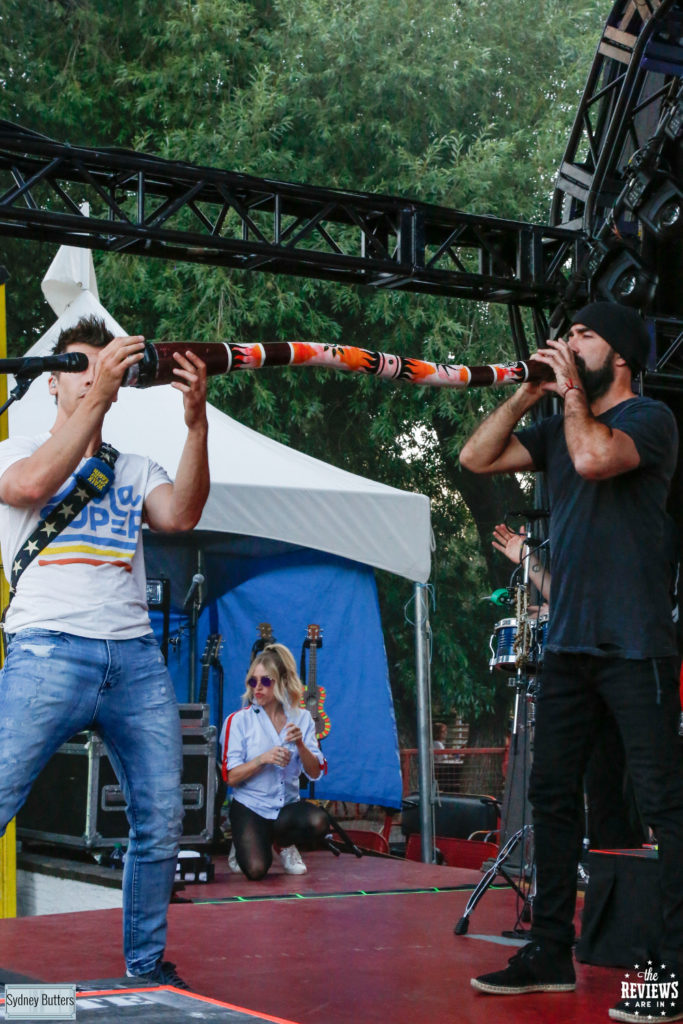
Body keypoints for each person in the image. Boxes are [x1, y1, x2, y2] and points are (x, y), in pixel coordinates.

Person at [460, 301, 683, 1022]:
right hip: (568, 646)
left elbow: (592, 460)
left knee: (664, 807)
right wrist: (528, 391)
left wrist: (570, 398)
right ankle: (549, 950)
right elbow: (475, 457)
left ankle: (673, 967)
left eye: (582, 334)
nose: (566, 342)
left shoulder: (647, 422)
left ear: (617, 354)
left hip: (635, 645)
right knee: (551, 799)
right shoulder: (559, 424)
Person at [0, 315, 209, 988]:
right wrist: (96, 394)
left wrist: (197, 423)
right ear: (53, 385)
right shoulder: (17, 448)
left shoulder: (133, 466)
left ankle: (146, 969)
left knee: (162, 817)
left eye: (99, 368)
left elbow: (180, 516)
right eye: (78, 368)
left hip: (134, 659)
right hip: (47, 648)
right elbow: (31, 488)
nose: (92, 377)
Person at [492, 521, 647, 851]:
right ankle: (598, 873)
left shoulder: (630, 535)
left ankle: (625, 874)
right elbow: (568, 598)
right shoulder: (578, 539)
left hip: (628, 671)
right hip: (584, 677)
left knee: (617, 790)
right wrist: (529, 562)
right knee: (573, 787)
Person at [221, 642, 329, 879]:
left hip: (285, 808)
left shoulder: (301, 719)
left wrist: (301, 744)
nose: (257, 688)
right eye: (253, 681)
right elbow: (230, 776)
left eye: (265, 681)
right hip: (251, 806)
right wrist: (262, 759)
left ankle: (285, 844)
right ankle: (241, 841)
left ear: (281, 682)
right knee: (257, 870)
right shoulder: (238, 721)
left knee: (319, 821)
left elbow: (316, 772)